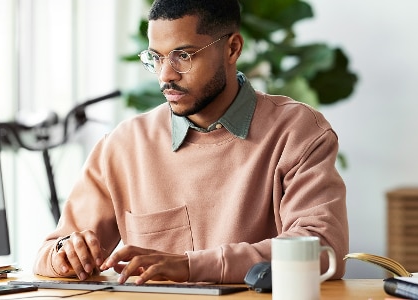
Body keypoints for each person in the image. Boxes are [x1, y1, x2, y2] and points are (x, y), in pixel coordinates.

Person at [33, 0, 349, 284]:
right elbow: (49, 253)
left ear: (232, 49)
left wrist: (188, 266)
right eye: (155, 58)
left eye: (182, 56)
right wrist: (65, 254)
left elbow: (322, 251)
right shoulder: (123, 145)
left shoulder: (297, 131)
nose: (165, 76)